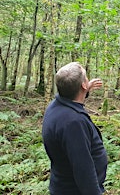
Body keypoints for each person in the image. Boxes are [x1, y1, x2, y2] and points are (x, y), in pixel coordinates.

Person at [42, 62, 108, 195]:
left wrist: (85, 90)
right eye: (86, 78)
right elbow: (83, 170)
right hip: (74, 190)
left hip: (62, 184)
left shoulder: (55, 106)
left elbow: (72, 99)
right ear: (83, 85)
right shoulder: (74, 123)